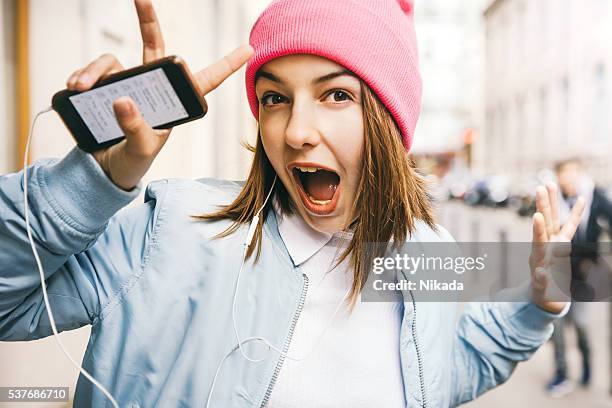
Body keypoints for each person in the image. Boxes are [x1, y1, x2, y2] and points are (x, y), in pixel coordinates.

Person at [0, 0, 586, 406]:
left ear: (387, 120)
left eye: (335, 94)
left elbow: (449, 372)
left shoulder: (426, 252)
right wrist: (88, 184)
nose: (296, 130)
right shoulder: (169, 231)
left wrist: (540, 304)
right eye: (275, 96)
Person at [546, 157, 612, 397]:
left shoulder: (597, 199)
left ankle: (586, 365)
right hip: (559, 273)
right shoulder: (554, 201)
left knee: (582, 325)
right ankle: (561, 373)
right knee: (558, 328)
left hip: (584, 275)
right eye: (564, 175)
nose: (569, 180)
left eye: (573, 174)